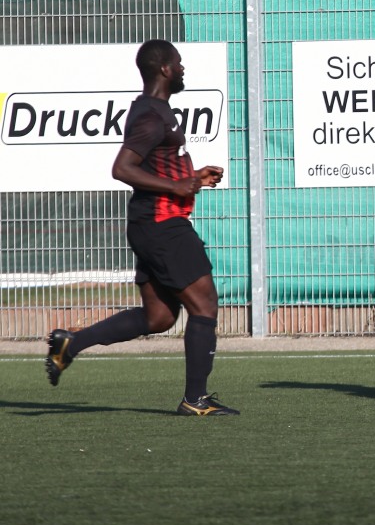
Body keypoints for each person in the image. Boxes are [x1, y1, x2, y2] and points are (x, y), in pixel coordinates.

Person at [44, 40, 237, 416]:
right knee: (205, 305)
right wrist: (176, 187)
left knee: (158, 318)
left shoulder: (156, 110)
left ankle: (71, 343)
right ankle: (195, 400)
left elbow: (156, 166)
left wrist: (193, 178)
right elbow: (122, 168)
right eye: (178, 63)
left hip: (152, 224)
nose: (183, 68)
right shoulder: (150, 115)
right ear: (164, 69)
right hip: (163, 227)